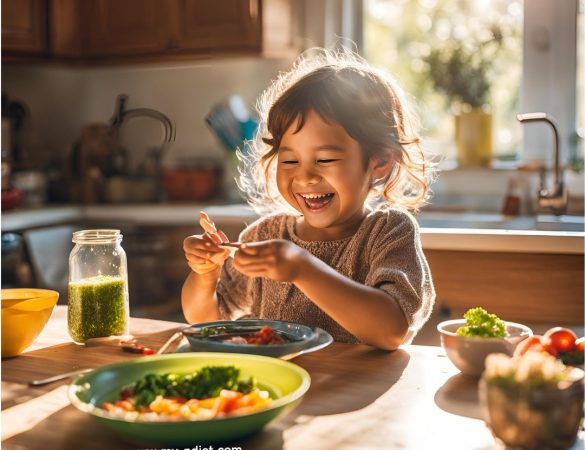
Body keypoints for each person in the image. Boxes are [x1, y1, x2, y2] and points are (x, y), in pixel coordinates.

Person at [182, 48, 436, 350]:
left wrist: (303, 269)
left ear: (379, 161)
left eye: (325, 159)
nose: (304, 178)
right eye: (289, 162)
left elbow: (391, 331)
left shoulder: (388, 233)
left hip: (358, 394)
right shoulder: (266, 236)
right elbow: (207, 320)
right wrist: (204, 276)